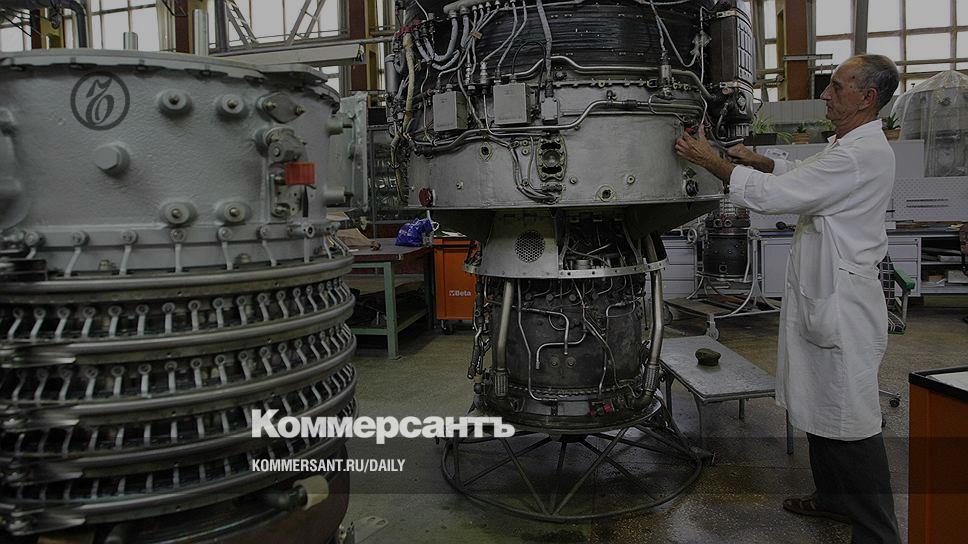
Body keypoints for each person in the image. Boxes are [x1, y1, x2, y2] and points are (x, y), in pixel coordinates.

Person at [675, 54, 901, 544]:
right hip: (826, 294)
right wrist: (762, 160)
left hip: (842, 304)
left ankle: (877, 532)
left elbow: (780, 196)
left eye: (836, 87)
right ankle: (833, 499)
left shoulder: (860, 155)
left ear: (867, 98)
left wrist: (711, 161)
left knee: (851, 417)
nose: (825, 95)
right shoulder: (847, 145)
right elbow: (806, 172)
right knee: (822, 404)